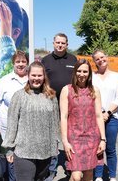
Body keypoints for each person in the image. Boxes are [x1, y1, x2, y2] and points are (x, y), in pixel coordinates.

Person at [2, 61, 59, 181]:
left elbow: (54, 124)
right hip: (24, 152)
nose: (36, 78)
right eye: (34, 75)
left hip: (45, 152)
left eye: (39, 75)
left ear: (44, 77)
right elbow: (12, 124)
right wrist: (9, 149)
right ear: (28, 75)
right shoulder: (19, 96)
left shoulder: (51, 96)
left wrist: (54, 148)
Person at [59, 59, 106, 181]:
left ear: (89, 73)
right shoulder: (66, 90)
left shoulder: (94, 90)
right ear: (74, 72)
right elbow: (63, 117)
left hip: (92, 137)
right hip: (74, 137)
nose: (82, 74)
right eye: (79, 71)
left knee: (89, 173)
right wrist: (64, 141)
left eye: (85, 71)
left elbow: (99, 115)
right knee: (76, 176)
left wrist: (103, 139)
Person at [41, 32, 77, 180]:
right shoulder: (45, 60)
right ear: (53, 43)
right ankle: (51, 168)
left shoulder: (73, 59)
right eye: (58, 42)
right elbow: (40, 81)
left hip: (70, 105)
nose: (60, 45)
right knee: (52, 138)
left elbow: (79, 79)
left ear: (67, 44)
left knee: (71, 136)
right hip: (50, 104)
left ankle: (71, 166)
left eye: (63, 43)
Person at [0, 50, 29, 181]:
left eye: (23, 61)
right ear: (13, 63)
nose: (21, 64)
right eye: (18, 62)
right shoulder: (5, 81)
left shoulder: (32, 79)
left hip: (27, 126)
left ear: (27, 63)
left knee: (25, 156)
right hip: (8, 126)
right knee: (11, 157)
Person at [92, 50, 118, 181]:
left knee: (110, 148)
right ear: (94, 62)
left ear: (107, 57)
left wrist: (108, 113)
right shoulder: (92, 76)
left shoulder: (116, 76)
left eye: (102, 57)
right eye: (97, 59)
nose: (100, 60)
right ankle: (98, 176)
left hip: (112, 118)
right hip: (95, 117)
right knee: (98, 147)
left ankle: (112, 176)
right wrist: (99, 114)